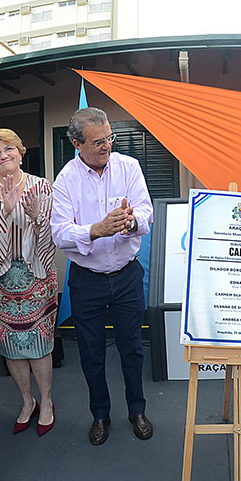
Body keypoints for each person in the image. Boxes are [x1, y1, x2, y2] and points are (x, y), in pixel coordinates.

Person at [51, 107, 154, 445]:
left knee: (132, 349)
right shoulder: (65, 180)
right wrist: (95, 230)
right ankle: (100, 414)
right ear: (76, 143)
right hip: (87, 279)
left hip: (126, 275)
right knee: (91, 352)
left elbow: (146, 212)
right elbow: (60, 234)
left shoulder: (129, 167)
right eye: (97, 142)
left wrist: (132, 221)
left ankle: (136, 409)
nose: (107, 146)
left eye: (110, 138)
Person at [0, 129, 58, 437]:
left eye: (9, 149)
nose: (3, 155)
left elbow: (52, 234)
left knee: (40, 344)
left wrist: (36, 217)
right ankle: (26, 400)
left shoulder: (42, 186)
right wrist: (5, 211)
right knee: (10, 346)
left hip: (36, 277)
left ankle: (46, 401)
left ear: (20, 151)